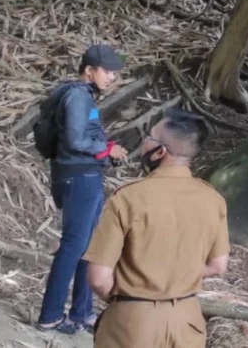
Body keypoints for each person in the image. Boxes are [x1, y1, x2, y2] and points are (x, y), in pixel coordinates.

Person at [84, 107, 229, 348]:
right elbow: (218, 265)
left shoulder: (128, 198)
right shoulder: (213, 200)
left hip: (132, 323)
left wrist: (131, 300)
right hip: (187, 322)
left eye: (149, 138)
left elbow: (99, 278)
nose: (144, 144)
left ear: (160, 151)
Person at [37, 44, 130, 334]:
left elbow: (82, 138)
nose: (111, 78)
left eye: (114, 73)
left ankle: (82, 312)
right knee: (73, 246)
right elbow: (76, 141)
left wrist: (105, 149)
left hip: (81, 174)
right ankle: (50, 316)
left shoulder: (83, 96)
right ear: (88, 71)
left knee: (86, 247)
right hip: (78, 177)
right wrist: (107, 150)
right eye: (107, 72)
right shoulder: (77, 96)